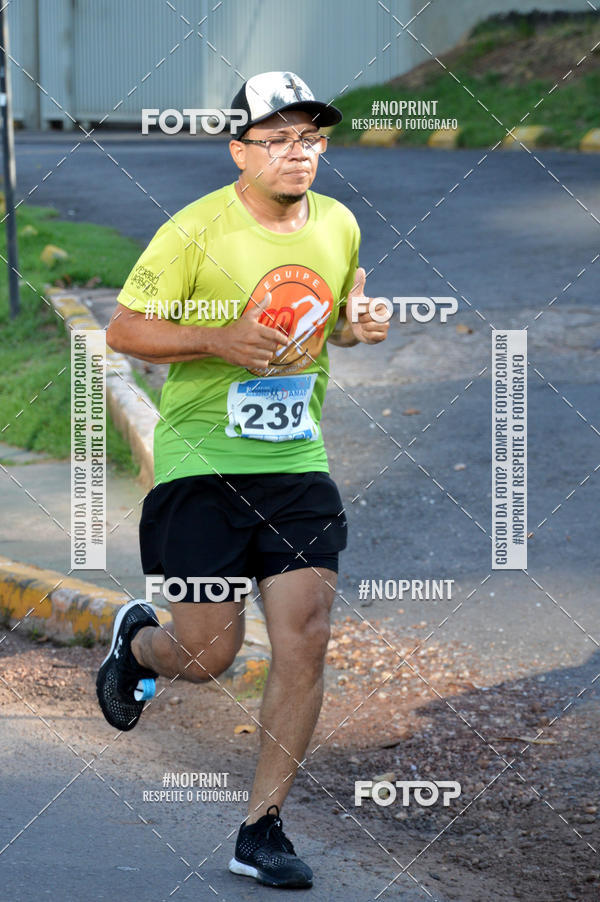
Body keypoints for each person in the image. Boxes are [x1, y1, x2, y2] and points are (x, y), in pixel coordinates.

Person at [96, 70, 388, 889]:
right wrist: (218, 341)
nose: (299, 154)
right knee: (209, 654)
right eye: (279, 139)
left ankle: (261, 830)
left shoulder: (338, 223)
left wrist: (360, 328)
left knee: (306, 634)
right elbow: (124, 328)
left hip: (296, 462)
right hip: (203, 462)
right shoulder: (194, 230)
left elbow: (330, 326)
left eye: (311, 138)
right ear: (240, 150)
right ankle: (138, 643)